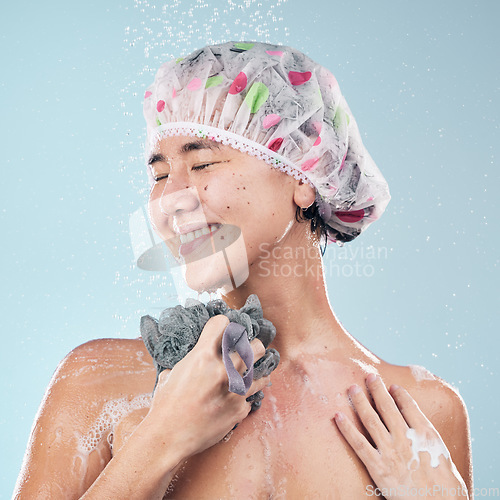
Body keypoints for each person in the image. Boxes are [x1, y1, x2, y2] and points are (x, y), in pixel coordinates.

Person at [14, 41, 472, 499]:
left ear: (303, 176)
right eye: (158, 175)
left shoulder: (420, 414)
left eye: (202, 162)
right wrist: (161, 439)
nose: (169, 199)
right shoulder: (101, 382)